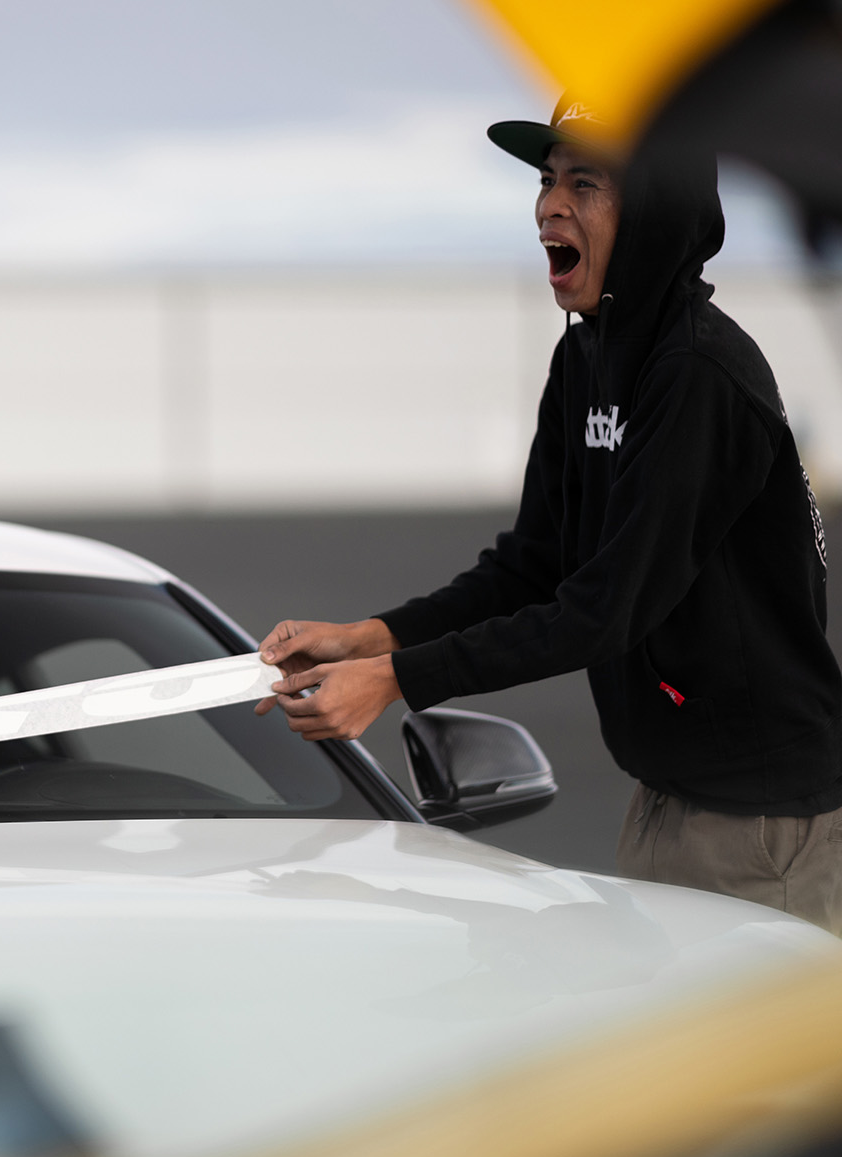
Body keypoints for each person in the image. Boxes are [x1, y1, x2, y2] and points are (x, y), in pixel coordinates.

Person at [254, 98, 842, 934]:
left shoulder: (698, 375)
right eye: (546, 180)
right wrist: (372, 637)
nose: (549, 207)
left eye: (585, 183)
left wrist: (397, 682)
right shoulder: (587, 358)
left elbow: (606, 607)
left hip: (762, 827)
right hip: (667, 800)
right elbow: (533, 565)